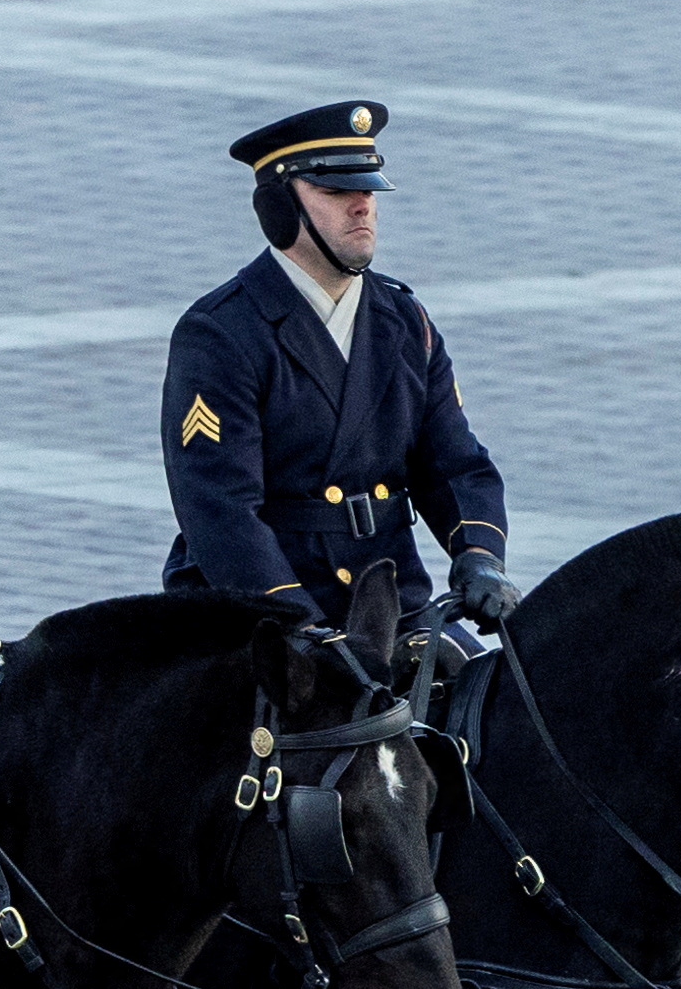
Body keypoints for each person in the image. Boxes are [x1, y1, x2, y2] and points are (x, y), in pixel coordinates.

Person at [162, 97, 506, 638]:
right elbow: (220, 510)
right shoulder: (220, 333)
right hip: (264, 612)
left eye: (367, 189)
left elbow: (455, 463)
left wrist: (479, 554)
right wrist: (295, 620)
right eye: (335, 191)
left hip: (390, 606)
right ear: (279, 207)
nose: (361, 206)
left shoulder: (404, 320)